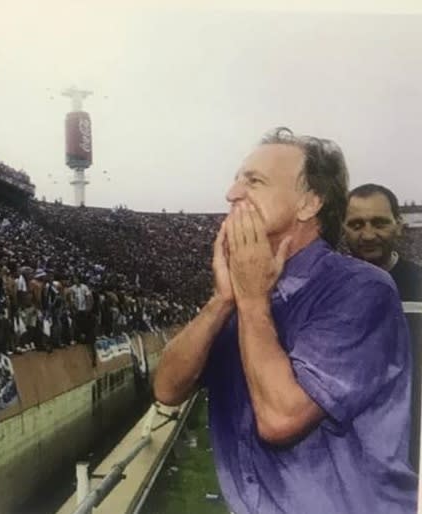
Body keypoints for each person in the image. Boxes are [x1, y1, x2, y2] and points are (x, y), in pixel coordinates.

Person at [153, 128, 417, 514]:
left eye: (254, 181)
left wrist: (252, 303)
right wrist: (221, 301)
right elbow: (166, 389)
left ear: (309, 203)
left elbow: (280, 419)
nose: (232, 193)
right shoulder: (243, 289)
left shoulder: (362, 290)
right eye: (237, 178)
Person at [344, 183, 422, 470]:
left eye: (379, 223)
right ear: (343, 228)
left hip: (409, 448)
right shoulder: (328, 291)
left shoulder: (419, 285)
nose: (367, 235)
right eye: (356, 224)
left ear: (399, 225)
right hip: (347, 452)